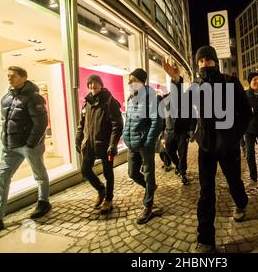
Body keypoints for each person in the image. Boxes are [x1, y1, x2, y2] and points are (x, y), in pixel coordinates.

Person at [163, 45, 252, 253]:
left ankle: (241, 202)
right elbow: (182, 114)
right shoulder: (195, 87)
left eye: (208, 60)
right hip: (206, 148)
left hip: (228, 147)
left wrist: (233, 136)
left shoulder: (230, 82)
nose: (204, 64)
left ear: (215, 61)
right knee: (206, 192)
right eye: (201, 61)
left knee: (234, 182)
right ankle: (206, 240)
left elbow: (246, 114)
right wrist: (176, 82)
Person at [0, 66, 51, 236]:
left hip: (29, 146)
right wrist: (5, 141)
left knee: (39, 174)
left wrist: (30, 143)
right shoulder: (6, 98)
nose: (9, 79)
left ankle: (44, 202)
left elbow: (41, 122)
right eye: (8, 76)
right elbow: (6, 121)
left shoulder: (34, 98)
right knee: (1, 178)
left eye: (13, 76)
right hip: (10, 147)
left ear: (24, 77)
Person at [75, 75, 123, 214]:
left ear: (101, 85)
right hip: (89, 144)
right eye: (89, 84)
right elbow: (81, 124)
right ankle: (100, 189)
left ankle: (108, 199)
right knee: (85, 170)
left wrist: (113, 144)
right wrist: (78, 138)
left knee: (108, 173)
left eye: (95, 83)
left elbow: (117, 125)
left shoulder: (109, 102)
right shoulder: (86, 103)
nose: (92, 86)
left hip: (106, 146)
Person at [123, 68, 163, 224]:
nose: (130, 83)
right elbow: (129, 120)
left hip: (145, 143)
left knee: (148, 173)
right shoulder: (130, 98)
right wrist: (126, 136)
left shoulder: (151, 97)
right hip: (132, 143)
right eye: (129, 80)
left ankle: (148, 206)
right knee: (132, 173)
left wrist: (149, 141)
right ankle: (150, 187)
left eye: (133, 80)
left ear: (142, 81)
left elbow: (157, 121)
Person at [163, 90, 194, 185]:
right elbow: (162, 117)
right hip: (169, 131)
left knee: (182, 153)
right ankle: (178, 165)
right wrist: (161, 132)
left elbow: (193, 116)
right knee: (169, 151)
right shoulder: (165, 100)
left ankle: (182, 173)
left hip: (182, 132)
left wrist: (191, 130)